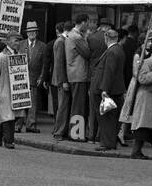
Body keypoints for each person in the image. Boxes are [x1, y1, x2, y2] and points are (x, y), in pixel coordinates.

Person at [0, 31, 24, 149]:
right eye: (15, 41)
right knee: (8, 116)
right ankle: (9, 141)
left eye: (19, 41)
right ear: (8, 42)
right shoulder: (0, 57)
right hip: (4, 91)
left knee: (15, 115)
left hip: (17, 91)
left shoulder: (20, 56)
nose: (18, 43)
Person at [96, 27, 128, 151]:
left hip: (111, 90)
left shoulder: (111, 52)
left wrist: (104, 89)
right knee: (114, 118)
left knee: (108, 118)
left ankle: (107, 143)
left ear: (106, 38)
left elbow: (109, 71)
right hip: (118, 88)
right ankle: (111, 142)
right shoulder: (119, 50)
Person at [64, 12, 92, 141]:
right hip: (79, 75)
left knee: (76, 105)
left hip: (73, 74)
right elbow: (87, 53)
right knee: (79, 106)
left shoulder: (71, 35)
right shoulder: (77, 37)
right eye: (88, 23)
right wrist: (86, 37)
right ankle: (76, 134)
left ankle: (75, 133)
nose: (88, 26)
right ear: (83, 22)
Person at [22, 20, 49, 133]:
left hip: (34, 78)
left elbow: (45, 64)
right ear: (27, 33)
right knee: (21, 102)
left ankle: (31, 125)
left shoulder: (42, 46)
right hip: (21, 79)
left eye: (33, 31)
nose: (31, 33)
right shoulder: (21, 44)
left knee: (33, 103)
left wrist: (41, 77)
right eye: (29, 31)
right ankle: (18, 124)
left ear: (37, 33)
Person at [51, 20, 72, 141]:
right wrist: (63, 80)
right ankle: (58, 132)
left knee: (63, 105)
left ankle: (58, 130)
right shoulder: (60, 42)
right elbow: (59, 63)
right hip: (60, 79)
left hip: (60, 78)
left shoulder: (62, 41)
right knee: (62, 106)